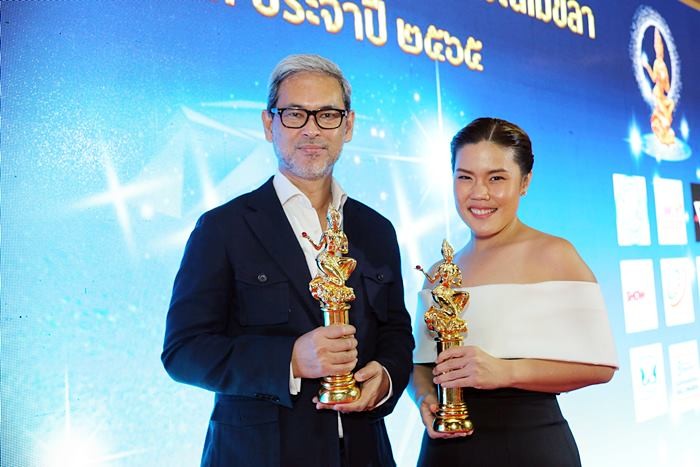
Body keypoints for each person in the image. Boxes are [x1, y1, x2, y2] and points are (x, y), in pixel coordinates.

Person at [161, 54, 414, 467]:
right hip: (259, 455)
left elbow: (396, 332)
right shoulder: (223, 228)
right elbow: (183, 352)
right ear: (269, 125)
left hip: (366, 452)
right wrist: (290, 360)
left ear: (348, 126)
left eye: (327, 115)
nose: (312, 129)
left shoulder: (377, 230)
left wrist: (386, 377)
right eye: (295, 114)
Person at [409, 117, 618, 466]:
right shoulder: (437, 273)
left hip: (530, 446)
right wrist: (425, 398)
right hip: (444, 450)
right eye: (465, 177)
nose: (479, 193)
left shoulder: (554, 254)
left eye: (496, 178)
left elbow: (600, 366)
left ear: (525, 182)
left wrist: (507, 372)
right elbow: (421, 364)